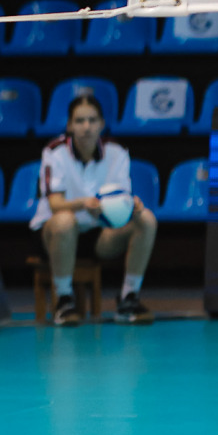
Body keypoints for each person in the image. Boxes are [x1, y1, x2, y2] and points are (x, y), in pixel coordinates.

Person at [31, 94, 157, 326]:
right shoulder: (54, 152)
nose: (86, 127)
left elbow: (122, 199)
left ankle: (129, 298)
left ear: (102, 124)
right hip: (57, 234)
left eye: (92, 120)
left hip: (99, 234)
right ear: (69, 125)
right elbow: (55, 204)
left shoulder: (117, 152)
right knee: (65, 220)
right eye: (79, 121)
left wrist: (132, 206)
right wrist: (84, 204)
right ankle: (63, 301)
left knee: (146, 219)